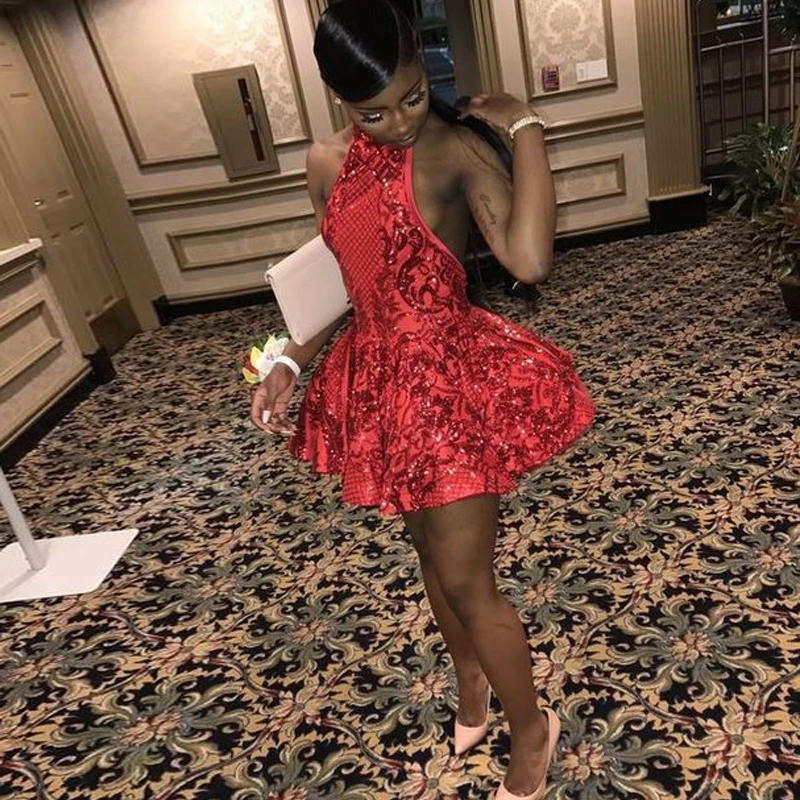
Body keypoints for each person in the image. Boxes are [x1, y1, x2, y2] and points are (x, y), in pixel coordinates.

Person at [250, 1, 594, 797]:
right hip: (378, 385)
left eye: (413, 95)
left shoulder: (450, 150)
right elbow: (345, 279)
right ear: (340, 99)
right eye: (374, 112)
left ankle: (532, 730)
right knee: (431, 561)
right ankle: (472, 683)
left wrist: (524, 127)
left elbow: (530, 262)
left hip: (447, 383)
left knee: (470, 581)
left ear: (421, 65)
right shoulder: (325, 163)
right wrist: (291, 359)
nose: (402, 121)